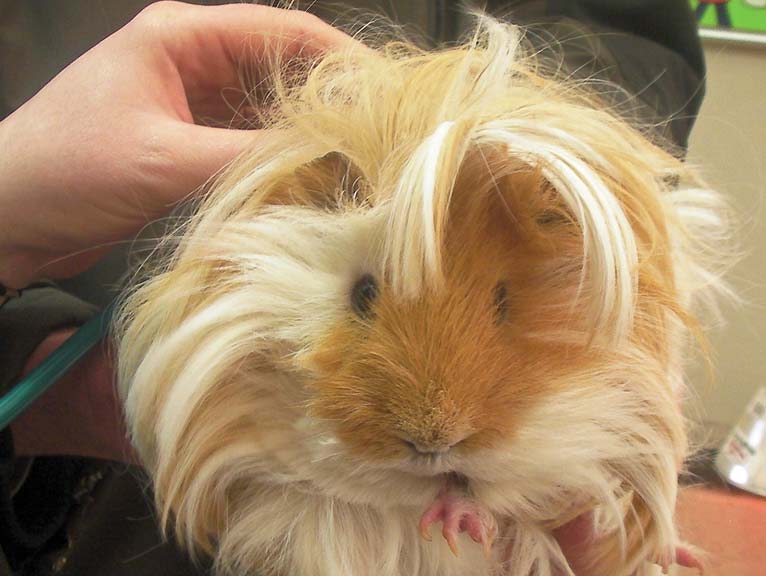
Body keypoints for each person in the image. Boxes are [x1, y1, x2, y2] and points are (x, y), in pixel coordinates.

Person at [0, 1, 705, 574]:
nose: (438, 420)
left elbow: (629, 38)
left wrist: (496, 137)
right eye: (365, 298)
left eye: (500, 305)